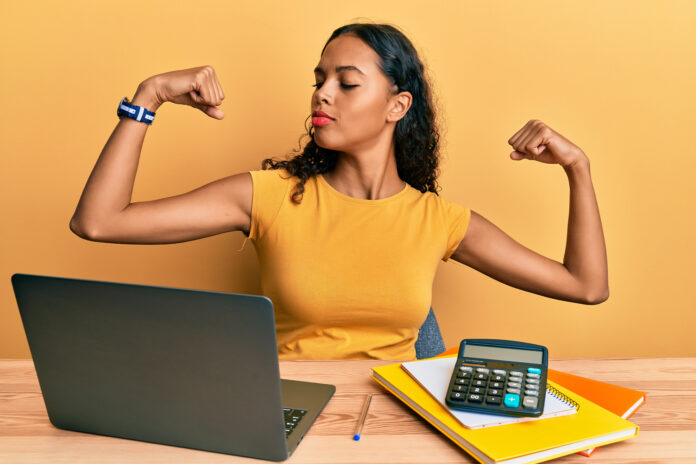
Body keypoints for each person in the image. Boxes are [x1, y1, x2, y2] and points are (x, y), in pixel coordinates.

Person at [70, 23, 608, 361]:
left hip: (398, 425)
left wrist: (577, 169)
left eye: (346, 83)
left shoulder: (437, 220)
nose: (322, 93)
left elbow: (585, 286)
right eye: (319, 78)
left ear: (397, 106)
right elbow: (99, 222)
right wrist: (149, 96)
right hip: (291, 418)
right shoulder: (269, 196)